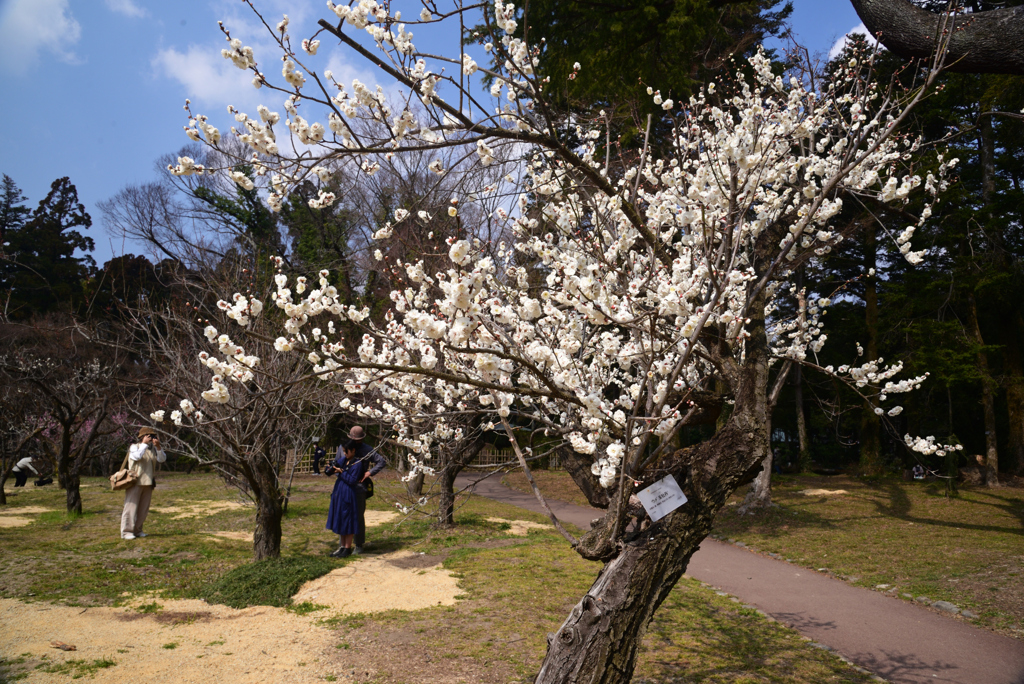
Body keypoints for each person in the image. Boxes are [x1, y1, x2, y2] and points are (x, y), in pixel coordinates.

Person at [337, 426, 385, 554]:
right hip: (344, 486)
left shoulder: (367, 449)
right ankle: (343, 546)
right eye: (354, 439)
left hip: (359, 487)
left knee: (357, 516)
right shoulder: (342, 448)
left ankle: (358, 544)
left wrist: (369, 472)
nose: (356, 442)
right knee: (343, 515)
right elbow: (336, 465)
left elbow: (381, 461)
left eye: (358, 440)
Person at [120, 427, 166, 540]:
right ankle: (126, 532)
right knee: (130, 508)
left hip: (148, 483)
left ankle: (138, 530)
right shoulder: (134, 447)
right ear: (142, 437)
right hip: (135, 482)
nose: (151, 438)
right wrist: (144, 444)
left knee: (143, 509)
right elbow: (136, 457)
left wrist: (158, 447)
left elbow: (162, 459)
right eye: (149, 436)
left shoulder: (151, 451)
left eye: (152, 436)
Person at [325, 440, 366, 557]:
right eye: (343, 451)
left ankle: (348, 548)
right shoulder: (344, 460)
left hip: (349, 494)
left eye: (346, 451)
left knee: (348, 520)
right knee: (341, 519)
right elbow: (334, 468)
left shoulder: (357, 463)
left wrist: (341, 473)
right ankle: (342, 547)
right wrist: (330, 467)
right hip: (339, 493)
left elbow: (352, 480)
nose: (344, 454)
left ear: (353, 450)